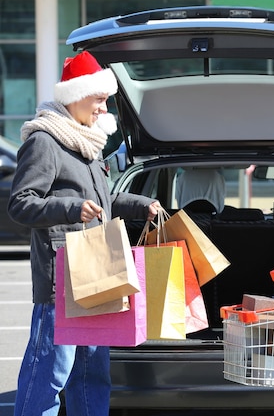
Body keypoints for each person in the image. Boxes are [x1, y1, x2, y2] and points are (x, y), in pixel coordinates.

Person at [8, 50, 161, 416]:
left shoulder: (86, 142)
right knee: (49, 373)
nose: (103, 109)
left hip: (98, 275)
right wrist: (70, 208)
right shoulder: (45, 141)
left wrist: (143, 205)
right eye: (99, 99)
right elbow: (21, 204)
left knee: (92, 374)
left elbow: (103, 199)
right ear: (76, 95)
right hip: (62, 280)